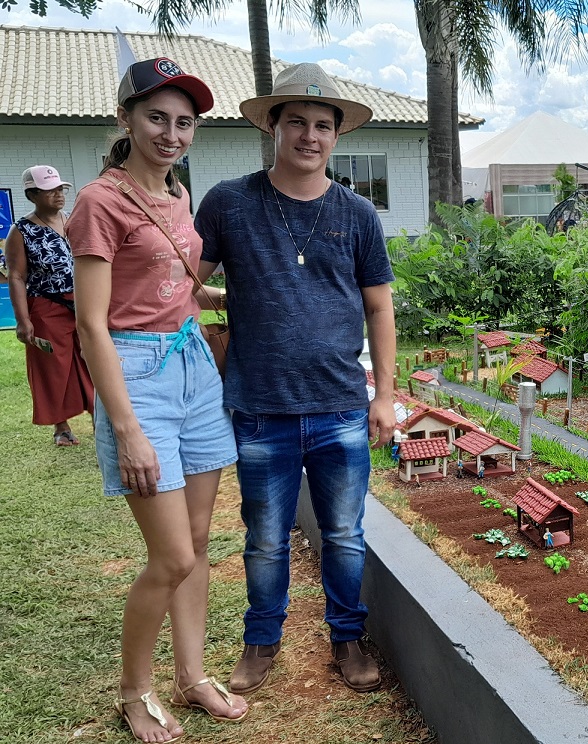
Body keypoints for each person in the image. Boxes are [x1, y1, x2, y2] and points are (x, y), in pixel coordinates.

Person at [193, 63, 396, 695]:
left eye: (323, 126)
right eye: (297, 123)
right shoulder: (229, 202)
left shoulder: (358, 214)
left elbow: (380, 306)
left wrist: (385, 395)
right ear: (273, 127)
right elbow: (185, 283)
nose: (310, 136)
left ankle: (347, 638)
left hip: (340, 404)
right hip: (260, 406)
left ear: (337, 136)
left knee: (343, 533)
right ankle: (261, 642)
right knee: (265, 538)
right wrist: (232, 303)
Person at [67, 57, 247, 743]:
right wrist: (127, 427)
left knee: (199, 542)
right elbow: (92, 322)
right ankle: (134, 692)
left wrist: (222, 299)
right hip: (137, 374)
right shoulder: (99, 201)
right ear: (126, 119)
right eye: (157, 118)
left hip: (195, 365)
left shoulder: (177, 196)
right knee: (170, 555)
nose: (172, 133)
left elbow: (171, 284)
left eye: (185, 122)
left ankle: (193, 677)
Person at [4, 165, 95, 446]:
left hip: (82, 303)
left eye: (60, 189)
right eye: (50, 190)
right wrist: (23, 320)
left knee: (92, 359)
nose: (58, 194)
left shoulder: (73, 221)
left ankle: (100, 418)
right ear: (32, 194)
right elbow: (17, 277)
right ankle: (61, 426)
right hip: (46, 306)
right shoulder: (20, 231)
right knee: (53, 366)